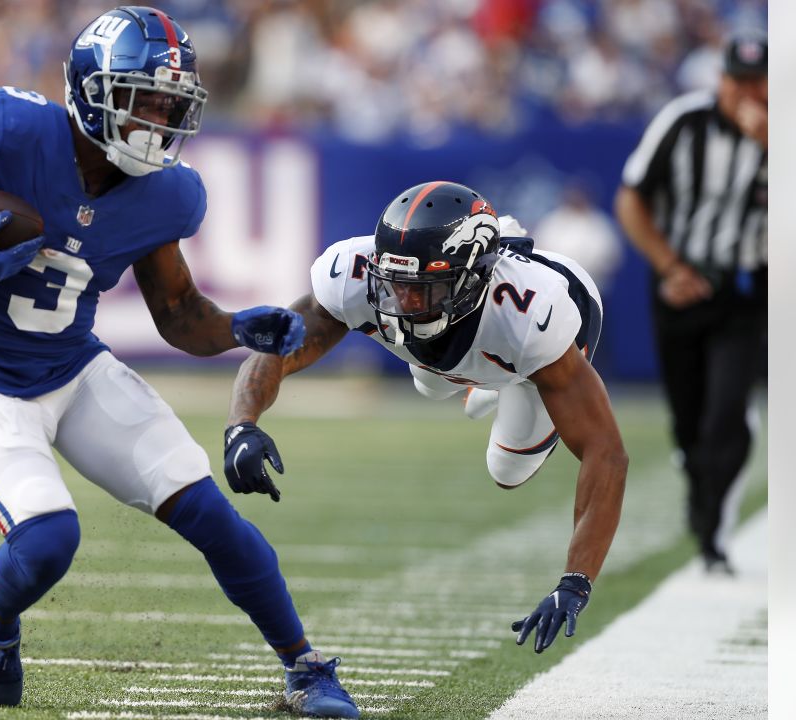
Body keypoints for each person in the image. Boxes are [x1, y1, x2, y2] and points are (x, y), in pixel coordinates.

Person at [0, 7, 359, 718]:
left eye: (172, 106)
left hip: (75, 367)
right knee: (50, 537)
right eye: (145, 101)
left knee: (213, 516)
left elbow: (180, 315)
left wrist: (239, 328)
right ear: (92, 91)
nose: (160, 121)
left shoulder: (167, 194)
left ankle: (305, 669)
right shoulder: (16, 133)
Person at [225, 181, 628, 655]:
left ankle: (500, 379)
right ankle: (477, 377)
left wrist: (576, 582)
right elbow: (279, 345)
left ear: (471, 278)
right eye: (394, 284)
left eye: (423, 289)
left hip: (547, 331)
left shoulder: (531, 320)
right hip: (466, 342)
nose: (402, 301)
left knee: (507, 467)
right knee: (430, 380)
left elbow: (607, 451)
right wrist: (242, 424)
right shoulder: (355, 275)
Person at [614, 31, 767, 575]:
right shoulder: (684, 121)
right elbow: (631, 196)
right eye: (739, 79)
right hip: (681, 287)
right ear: (721, 80)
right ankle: (701, 485)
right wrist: (669, 266)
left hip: (749, 289)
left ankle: (710, 532)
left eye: (760, 80)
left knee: (727, 414)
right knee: (687, 422)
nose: (749, 92)